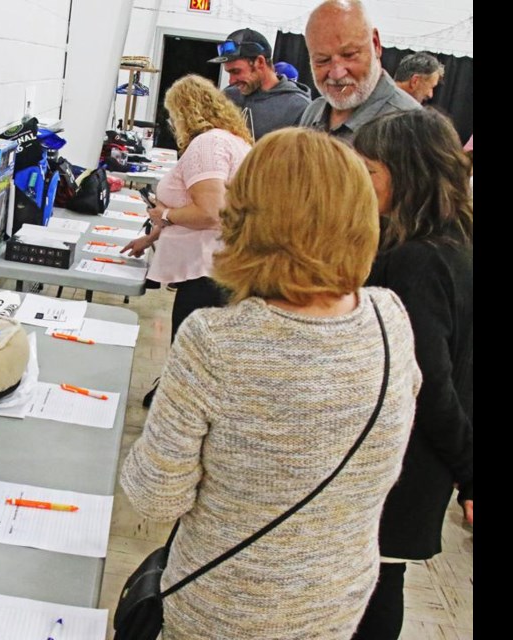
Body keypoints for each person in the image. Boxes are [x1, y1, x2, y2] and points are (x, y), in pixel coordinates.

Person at [120, 127, 421, 640]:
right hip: (338, 597)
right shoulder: (389, 318)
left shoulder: (215, 341)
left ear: (247, 217)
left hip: (227, 605)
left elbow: (156, 498)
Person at [352, 108, 473, 639]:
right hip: (426, 454)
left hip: (408, 456)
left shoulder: (416, 262)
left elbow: (428, 381)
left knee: (373, 584)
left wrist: (468, 466)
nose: (363, 182)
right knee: (382, 576)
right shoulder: (454, 241)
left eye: (371, 171)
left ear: (408, 174)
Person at [119, 74, 251, 407]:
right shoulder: (232, 141)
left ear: (185, 111)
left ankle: (177, 416)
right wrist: (151, 237)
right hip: (221, 267)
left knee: (191, 358)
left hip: (205, 272)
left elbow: (209, 212)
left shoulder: (207, 144)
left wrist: (163, 216)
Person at [299, 0, 419, 142]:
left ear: (376, 45)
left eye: (349, 55)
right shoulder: (313, 112)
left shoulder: (412, 128)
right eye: (322, 60)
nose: (337, 74)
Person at [209, 28, 311, 139]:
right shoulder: (229, 96)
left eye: (236, 71)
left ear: (260, 62)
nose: (231, 81)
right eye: (229, 73)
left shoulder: (298, 108)